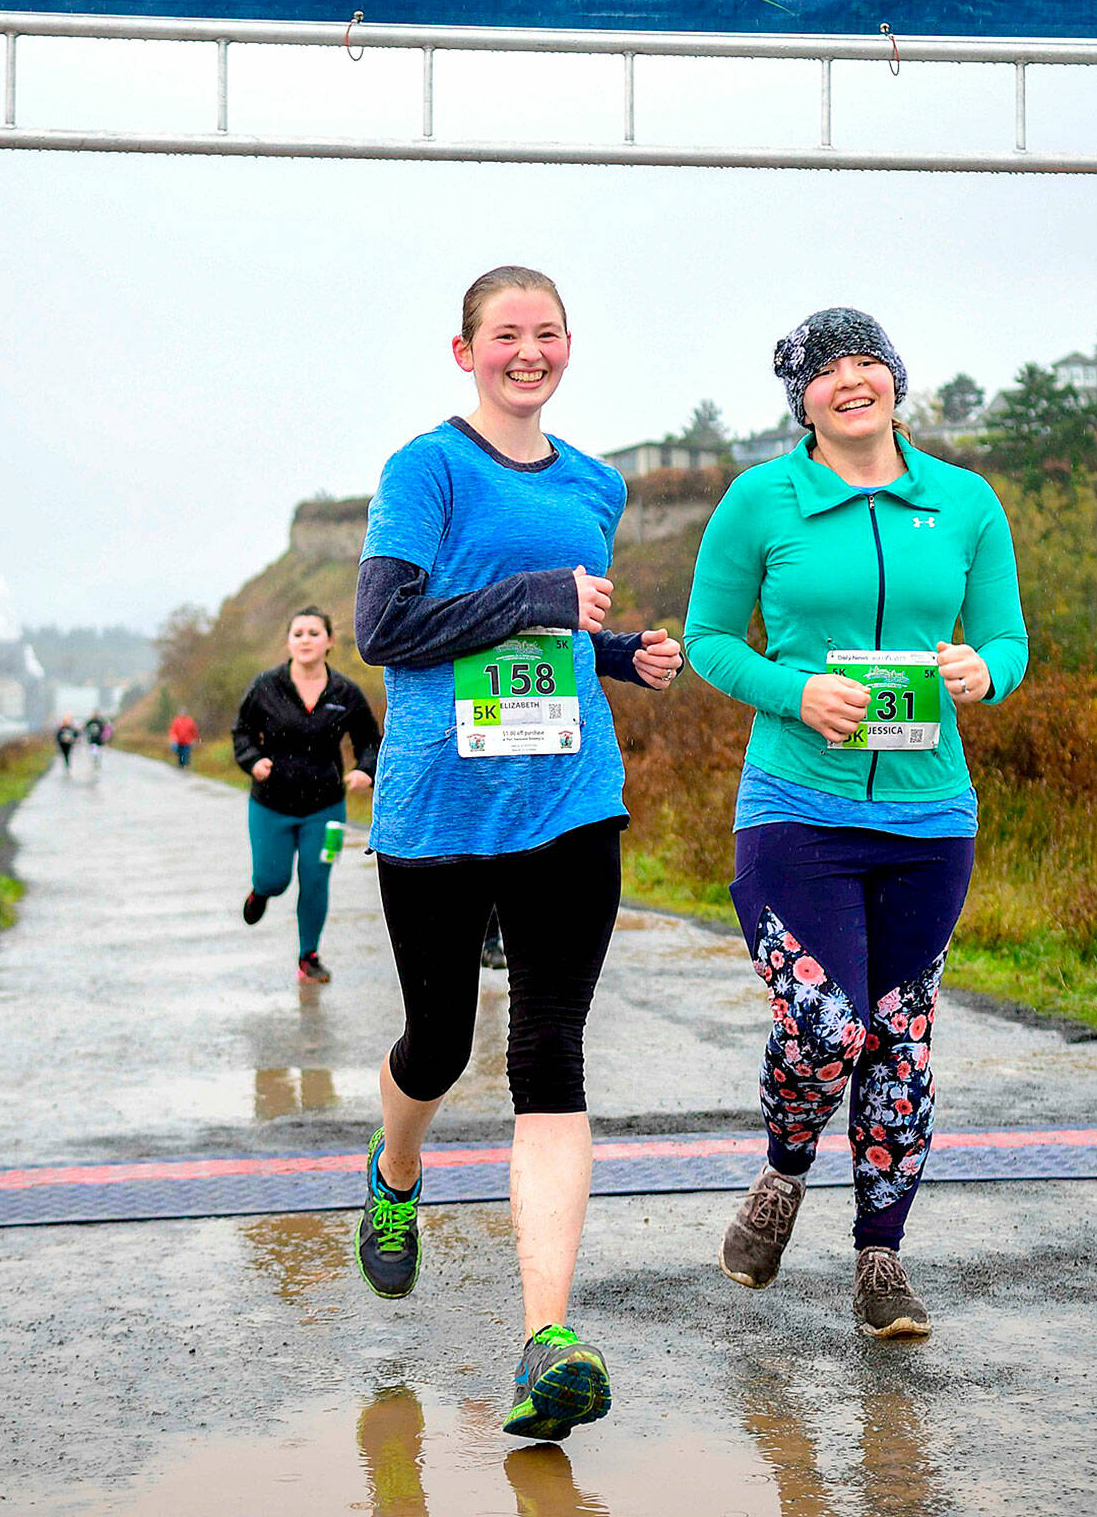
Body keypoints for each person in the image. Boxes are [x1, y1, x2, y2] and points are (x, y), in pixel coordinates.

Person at [352, 264, 683, 1443]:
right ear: (465, 352)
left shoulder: (596, 483)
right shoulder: (423, 469)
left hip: (568, 801)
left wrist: (619, 650)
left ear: (567, 345)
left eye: (546, 334)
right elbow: (387, 630)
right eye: (505, 335)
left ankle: (548, 1338)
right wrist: (540, 593)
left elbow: (549, 638)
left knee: (550, 1053)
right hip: (440, 808)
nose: (526, 352)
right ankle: (395, 1176)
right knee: (438, 1046)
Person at [684, 308, 1027, 1338]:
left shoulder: (963, 503)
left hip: (928, 814)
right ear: (800, 398)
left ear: (893, 380)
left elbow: (1004, 637)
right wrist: (795, 692)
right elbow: (707, 639)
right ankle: (782, 1176)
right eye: (823, 369)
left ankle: (881, 1261)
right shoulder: (760, 500)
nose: (849, 379)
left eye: (864, 360)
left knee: (901, 1041)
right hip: (795, 805)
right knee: (827, 1027)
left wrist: (984, 672)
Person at [232, 607, 380, 984]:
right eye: (298, 633)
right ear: (288, 641)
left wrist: (365, 769)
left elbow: (369, 740)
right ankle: (261, 891)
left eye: (314, 633)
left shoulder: (345, 692)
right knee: (274, 878)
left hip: (327, 807)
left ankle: (308, 955)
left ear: (329, 641)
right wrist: (253, 761)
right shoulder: (266, 686)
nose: (306, 640)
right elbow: (242, 733)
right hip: (271, 804)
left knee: (315, 880)